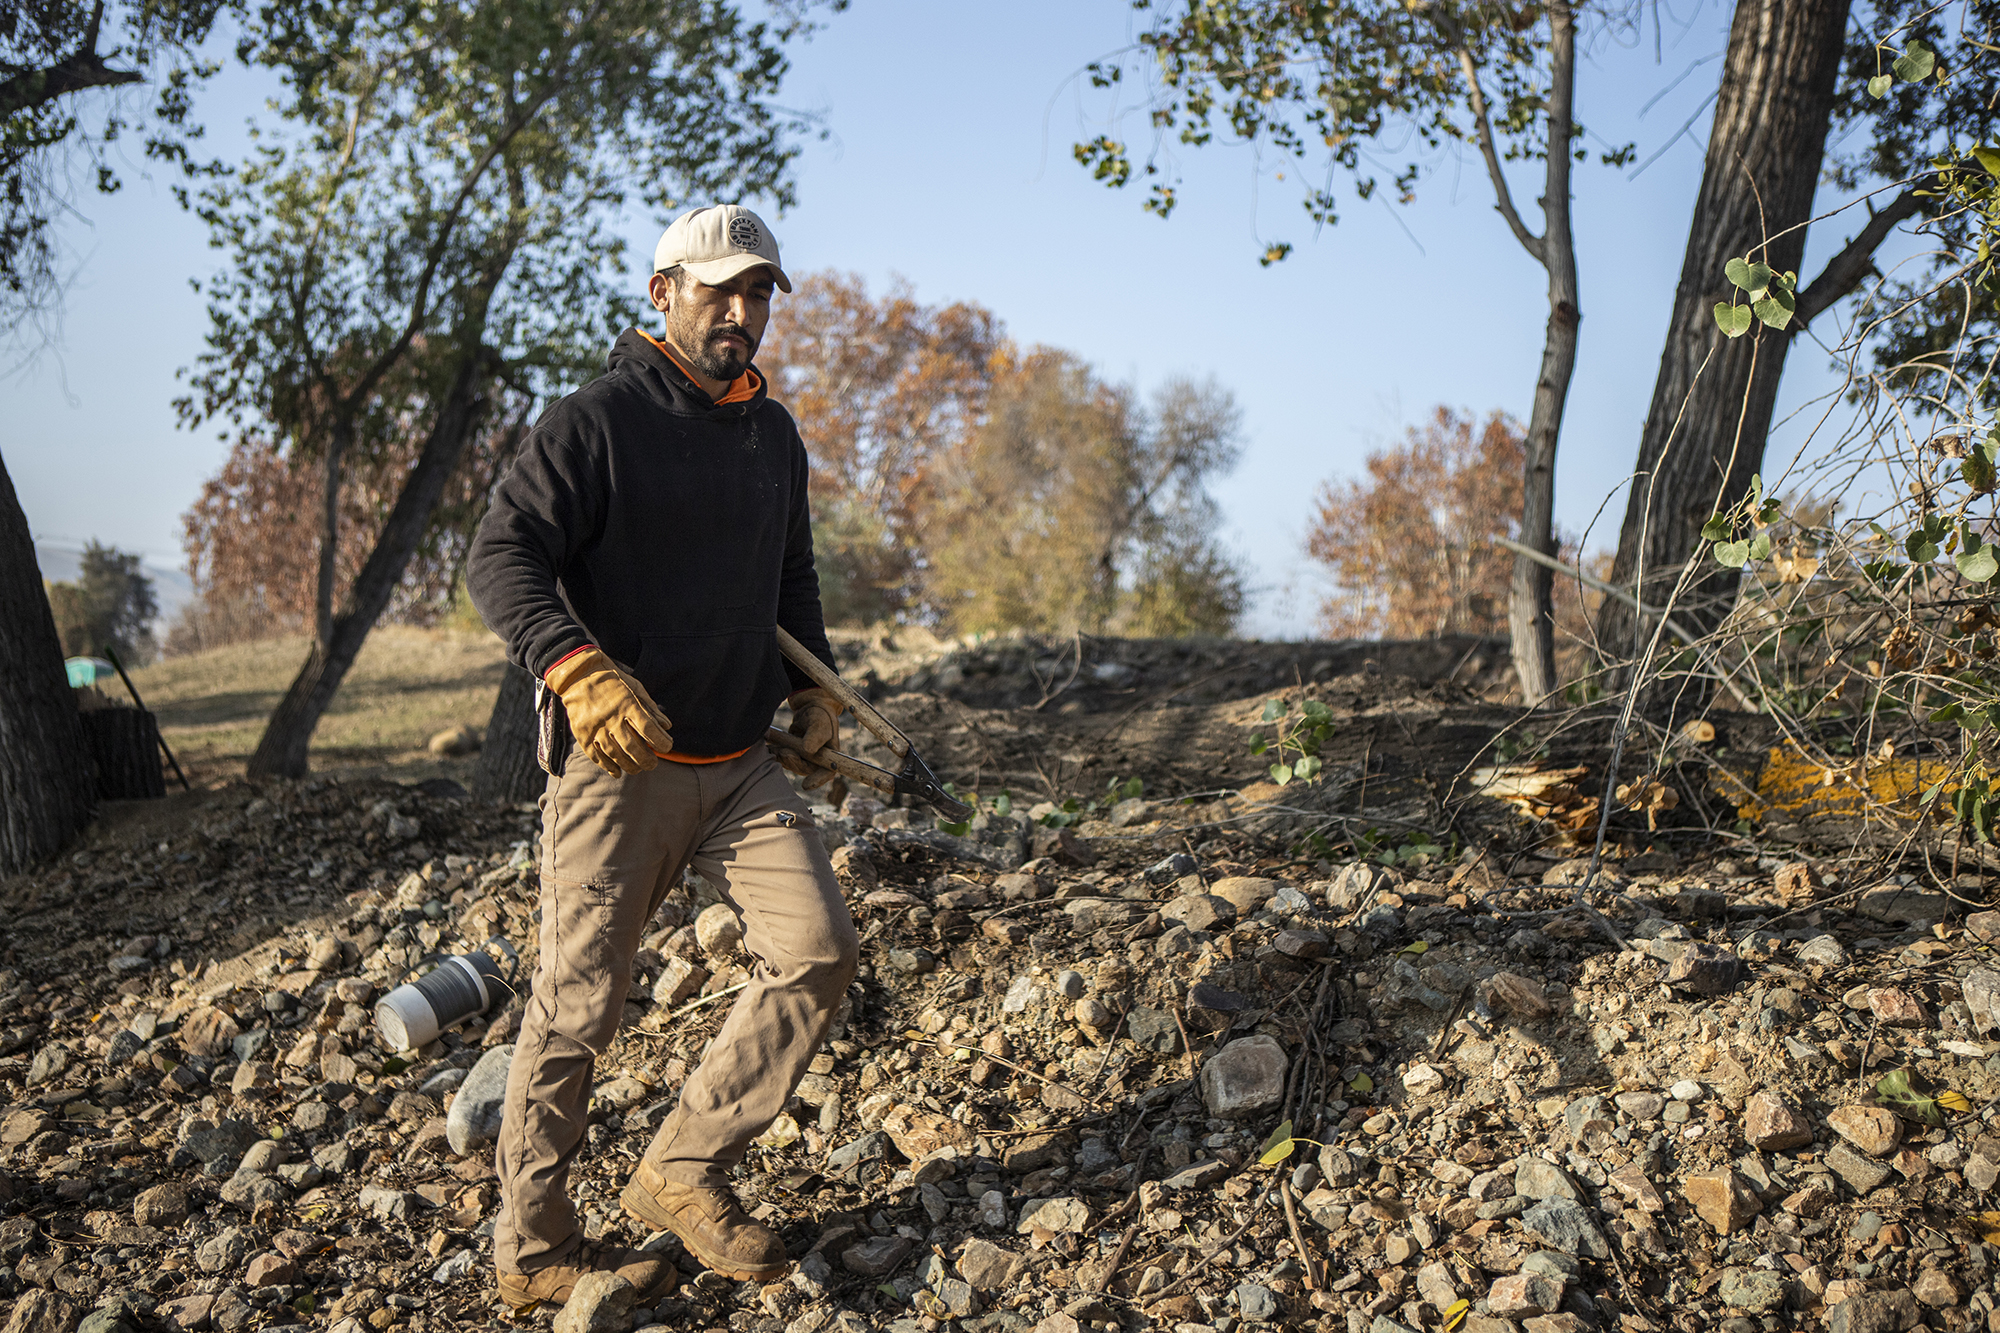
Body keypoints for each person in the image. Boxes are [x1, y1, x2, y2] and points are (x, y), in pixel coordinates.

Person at [466, 203, 859, 1310]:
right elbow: (500, 556)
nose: (741, 312)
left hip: (739, 761)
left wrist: (814, 691)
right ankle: (533, 1249)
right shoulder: (594, 424)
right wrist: (578, 671)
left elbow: (789, 580)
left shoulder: (771, 435)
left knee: (819, 949)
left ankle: (681, 1169)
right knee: (578, 1004)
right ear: (664, 293)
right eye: (719, 289)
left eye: (758, 292)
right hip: (619, 768)